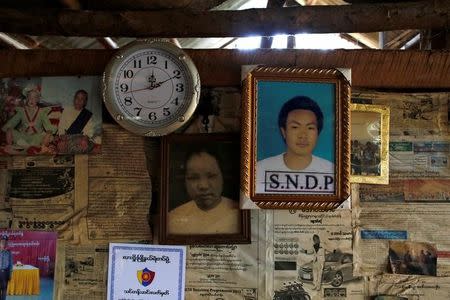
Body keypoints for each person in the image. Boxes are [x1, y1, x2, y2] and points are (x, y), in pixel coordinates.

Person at [256, 96, 334, 194]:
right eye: (295, 127)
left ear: (318, 133)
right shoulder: (259, 170)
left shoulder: (332, 172)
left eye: (310, 128)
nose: (303, 135)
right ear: (284, 131)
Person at [168, 148, 240, 235]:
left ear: (223, 177)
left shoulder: (239, 216)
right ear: (184, 181)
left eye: (211, 176)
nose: (203, 186)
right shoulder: (172, 219)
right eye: (193, 178)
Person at [0, 235, 13, 300]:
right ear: (0, 242)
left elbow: (11, 264)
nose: (4, 243)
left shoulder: (9, 252)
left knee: (4, 289)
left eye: (5, 242)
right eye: (2, 242)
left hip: (5, 273)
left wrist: (10, 274)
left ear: (7, 243)